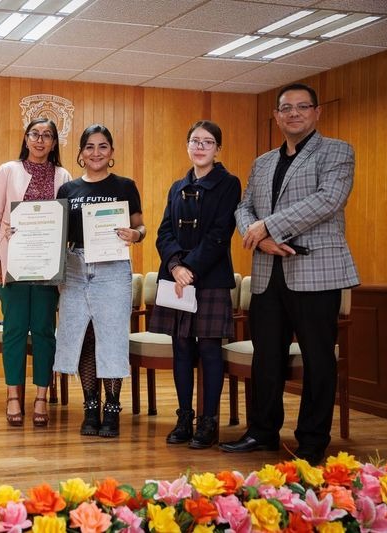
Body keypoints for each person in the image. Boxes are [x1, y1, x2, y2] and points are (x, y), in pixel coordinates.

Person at [218, 83, 359, 465]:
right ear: (277, 116)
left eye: (302, 107)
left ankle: (312, 441)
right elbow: (244, 207)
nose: (293, 113)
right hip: (267, 273)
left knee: (318, 359)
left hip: (316, 272)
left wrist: (269, 226)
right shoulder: (263, 162)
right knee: (267, 358)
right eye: (286, 108)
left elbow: (328, 200)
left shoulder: (337, 152)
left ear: (317, 112)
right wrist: (259, 237)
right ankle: (262, 433)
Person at [149, 120, 241, 449]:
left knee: (209, 349)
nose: (200, 147)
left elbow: (221, 233)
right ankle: (184, 418)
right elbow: (164, 232)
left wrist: (190, 268)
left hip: (210, 278)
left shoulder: (229, 184)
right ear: (187, 146)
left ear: (218, 148)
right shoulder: (177, 186)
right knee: (181, 347)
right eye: (194, 141)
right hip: (177, 278)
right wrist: (175, 266)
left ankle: (208, 422)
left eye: (207, 142)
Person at [54, 124, 145, 438]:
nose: (96, 152)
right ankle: (90, 406)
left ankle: (112, 408)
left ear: (112, 151)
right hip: (76, 268)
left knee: (112, 337)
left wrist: (136, 235)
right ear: (81, 153)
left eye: (103, 146)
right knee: (84, 338)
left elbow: (141, 226)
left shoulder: (125, 186)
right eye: (89, 147)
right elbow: (58, 233)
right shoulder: (68, 190)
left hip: (113, 268)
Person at [0, 118, 72, 428]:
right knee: (15, 330)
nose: (40, 140)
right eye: (34, 134)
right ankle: (13, 396)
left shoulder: (63, 175)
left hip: (48, 266)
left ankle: (41, 397)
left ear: (54, 143)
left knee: (45, 330)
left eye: (47, 135)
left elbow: (67, 222)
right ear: (25, 138)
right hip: (15, 263)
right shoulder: (8, 170)